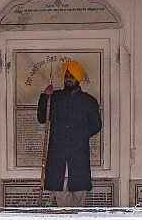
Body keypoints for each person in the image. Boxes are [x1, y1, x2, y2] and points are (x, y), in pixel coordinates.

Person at [37, 59, 102, 207]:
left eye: (71, 76)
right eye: (66, 76)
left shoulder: (88, 101)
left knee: (79, 206)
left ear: (78, 78)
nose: (68, 79)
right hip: (58, 156)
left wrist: (79, 136)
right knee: (61, 206)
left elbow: (96, 125)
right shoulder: (55, 98)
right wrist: (45, 97)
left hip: (78, 156)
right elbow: (42, 118)